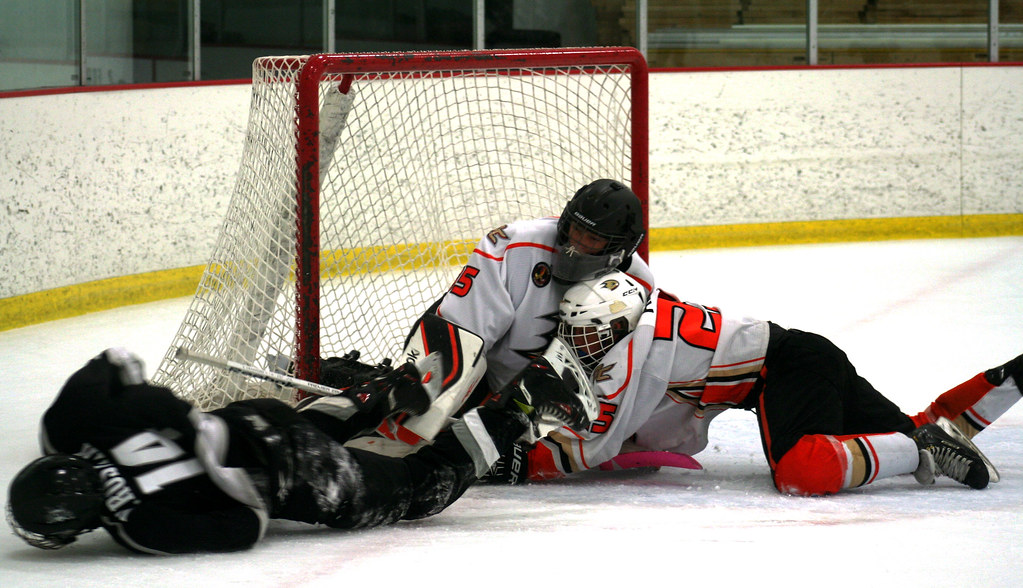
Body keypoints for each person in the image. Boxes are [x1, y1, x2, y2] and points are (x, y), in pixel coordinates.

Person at [7, 344, 596, 554]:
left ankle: (519, 408)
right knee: (295, 431)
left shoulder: (138, 528)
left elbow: (246, 525)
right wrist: (189, 424)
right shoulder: (74, 428)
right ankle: (376, 396)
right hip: (253, 419)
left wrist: (225, 475)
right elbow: (117, 362)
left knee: (416, 488)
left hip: (293, 471)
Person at [483, 271, 1019, 496]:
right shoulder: (644, 314)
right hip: (804, 354)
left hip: (783, 371)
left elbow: (594, 444)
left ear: (615, 326)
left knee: (801, 471)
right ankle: (1011, 381)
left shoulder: (632, 356)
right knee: (908, 426)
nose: (577, 342)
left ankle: (919, 449)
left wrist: (523, 462)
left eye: (585, 331)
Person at [368, 179, 656, 447]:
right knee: (435, 385)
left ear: (622, 248)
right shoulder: (516, 245)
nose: (575, 245)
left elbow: (619, 372)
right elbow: (462, 332)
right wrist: (432, 394)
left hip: (550, 406)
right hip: (488, 382)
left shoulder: (637, 287)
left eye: (592, 238)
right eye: (575, 230)